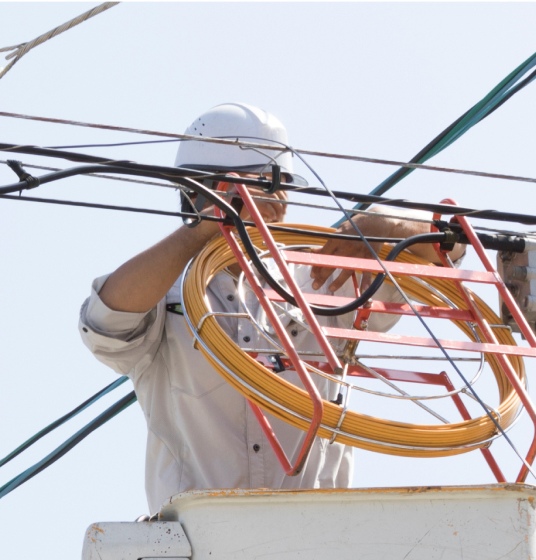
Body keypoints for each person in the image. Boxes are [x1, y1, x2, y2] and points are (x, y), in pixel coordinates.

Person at [78, 103, 461, 513]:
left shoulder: (321, 276)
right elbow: (106, 321)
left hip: (318, 533)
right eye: (253, 187)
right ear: (197, 195)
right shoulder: (165, 292)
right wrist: (207, 228)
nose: (271, 200)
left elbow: (453, 248)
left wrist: (387, 223)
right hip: (198, 535)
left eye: (274, 186)